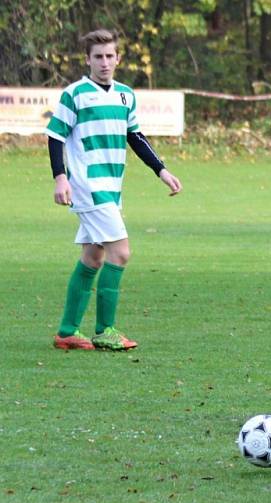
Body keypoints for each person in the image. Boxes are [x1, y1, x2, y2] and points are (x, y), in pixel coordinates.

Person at [46, 29, 182, 351]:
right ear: (88, 59)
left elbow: (135, 136)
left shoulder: (125, 95)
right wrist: (60, 177)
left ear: (118, 58)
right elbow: (55, 136)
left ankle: (67, 331)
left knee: (94, 257)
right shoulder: (75, 94)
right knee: (120, 252)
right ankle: (105, 330)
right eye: (98, 57)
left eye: (110, 56)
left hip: (111, 188)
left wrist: (160, 170)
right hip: (88, 188)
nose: (104, 62)